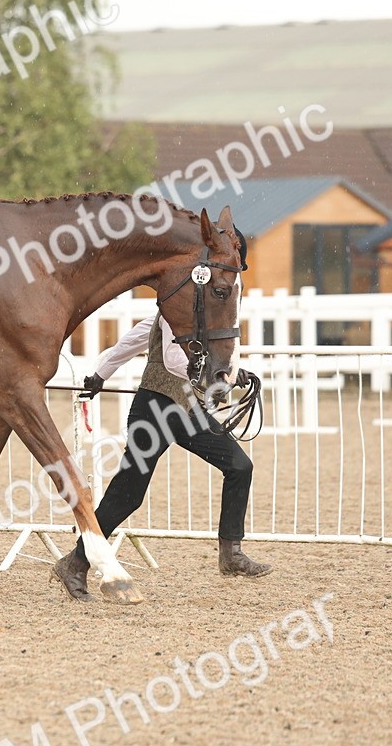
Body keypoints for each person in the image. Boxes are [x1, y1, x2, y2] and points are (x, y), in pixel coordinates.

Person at [53, 229, 271, 601]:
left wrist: (235, 374)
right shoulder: (178, 311)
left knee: (240, 467)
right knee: (128, 494)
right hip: (155, 407)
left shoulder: (197, 312)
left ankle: (230, 552)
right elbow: (170, 359)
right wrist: (99, 375)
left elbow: (136, 336)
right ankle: (76, 561)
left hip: (187, 409)